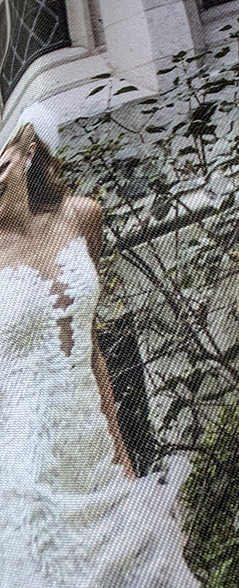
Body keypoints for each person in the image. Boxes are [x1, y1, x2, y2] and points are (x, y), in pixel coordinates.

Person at [0, 113, 199, 588]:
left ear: (27, 153)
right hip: (26, 468)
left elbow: (90, 350)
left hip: (96, 453)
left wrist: (122, 455)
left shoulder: (82, 216)